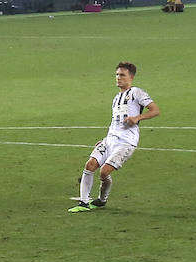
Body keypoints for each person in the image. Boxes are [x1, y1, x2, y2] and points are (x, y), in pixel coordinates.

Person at [69, 62, 160, 212]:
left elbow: (155, 110)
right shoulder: (116, 98)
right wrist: (105, 139)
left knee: (104, 172)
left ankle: (101, 200)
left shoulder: (136, 92)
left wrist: (137, 118)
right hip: (110, 139)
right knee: (90, 165)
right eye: (117, 75)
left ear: (131, 77)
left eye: (122, 75)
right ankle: (84, 203)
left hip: (126, 142)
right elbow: (115, 122)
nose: (118, 78)